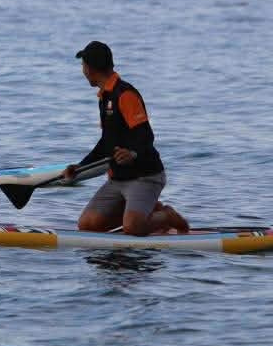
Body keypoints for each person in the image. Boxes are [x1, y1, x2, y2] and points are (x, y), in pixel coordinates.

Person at [63, 41, 190, 236]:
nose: (83, 71)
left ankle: (167, 216)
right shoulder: (104, 97)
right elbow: (106, 143)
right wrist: (80, 167)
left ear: (89, 68)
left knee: (133, 228)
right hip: (118, 179)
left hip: (145, 176)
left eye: (83, 66)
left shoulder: (125, 94)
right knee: (87, 225)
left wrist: (133, 153)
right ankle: (149, 210)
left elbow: (146, 135)